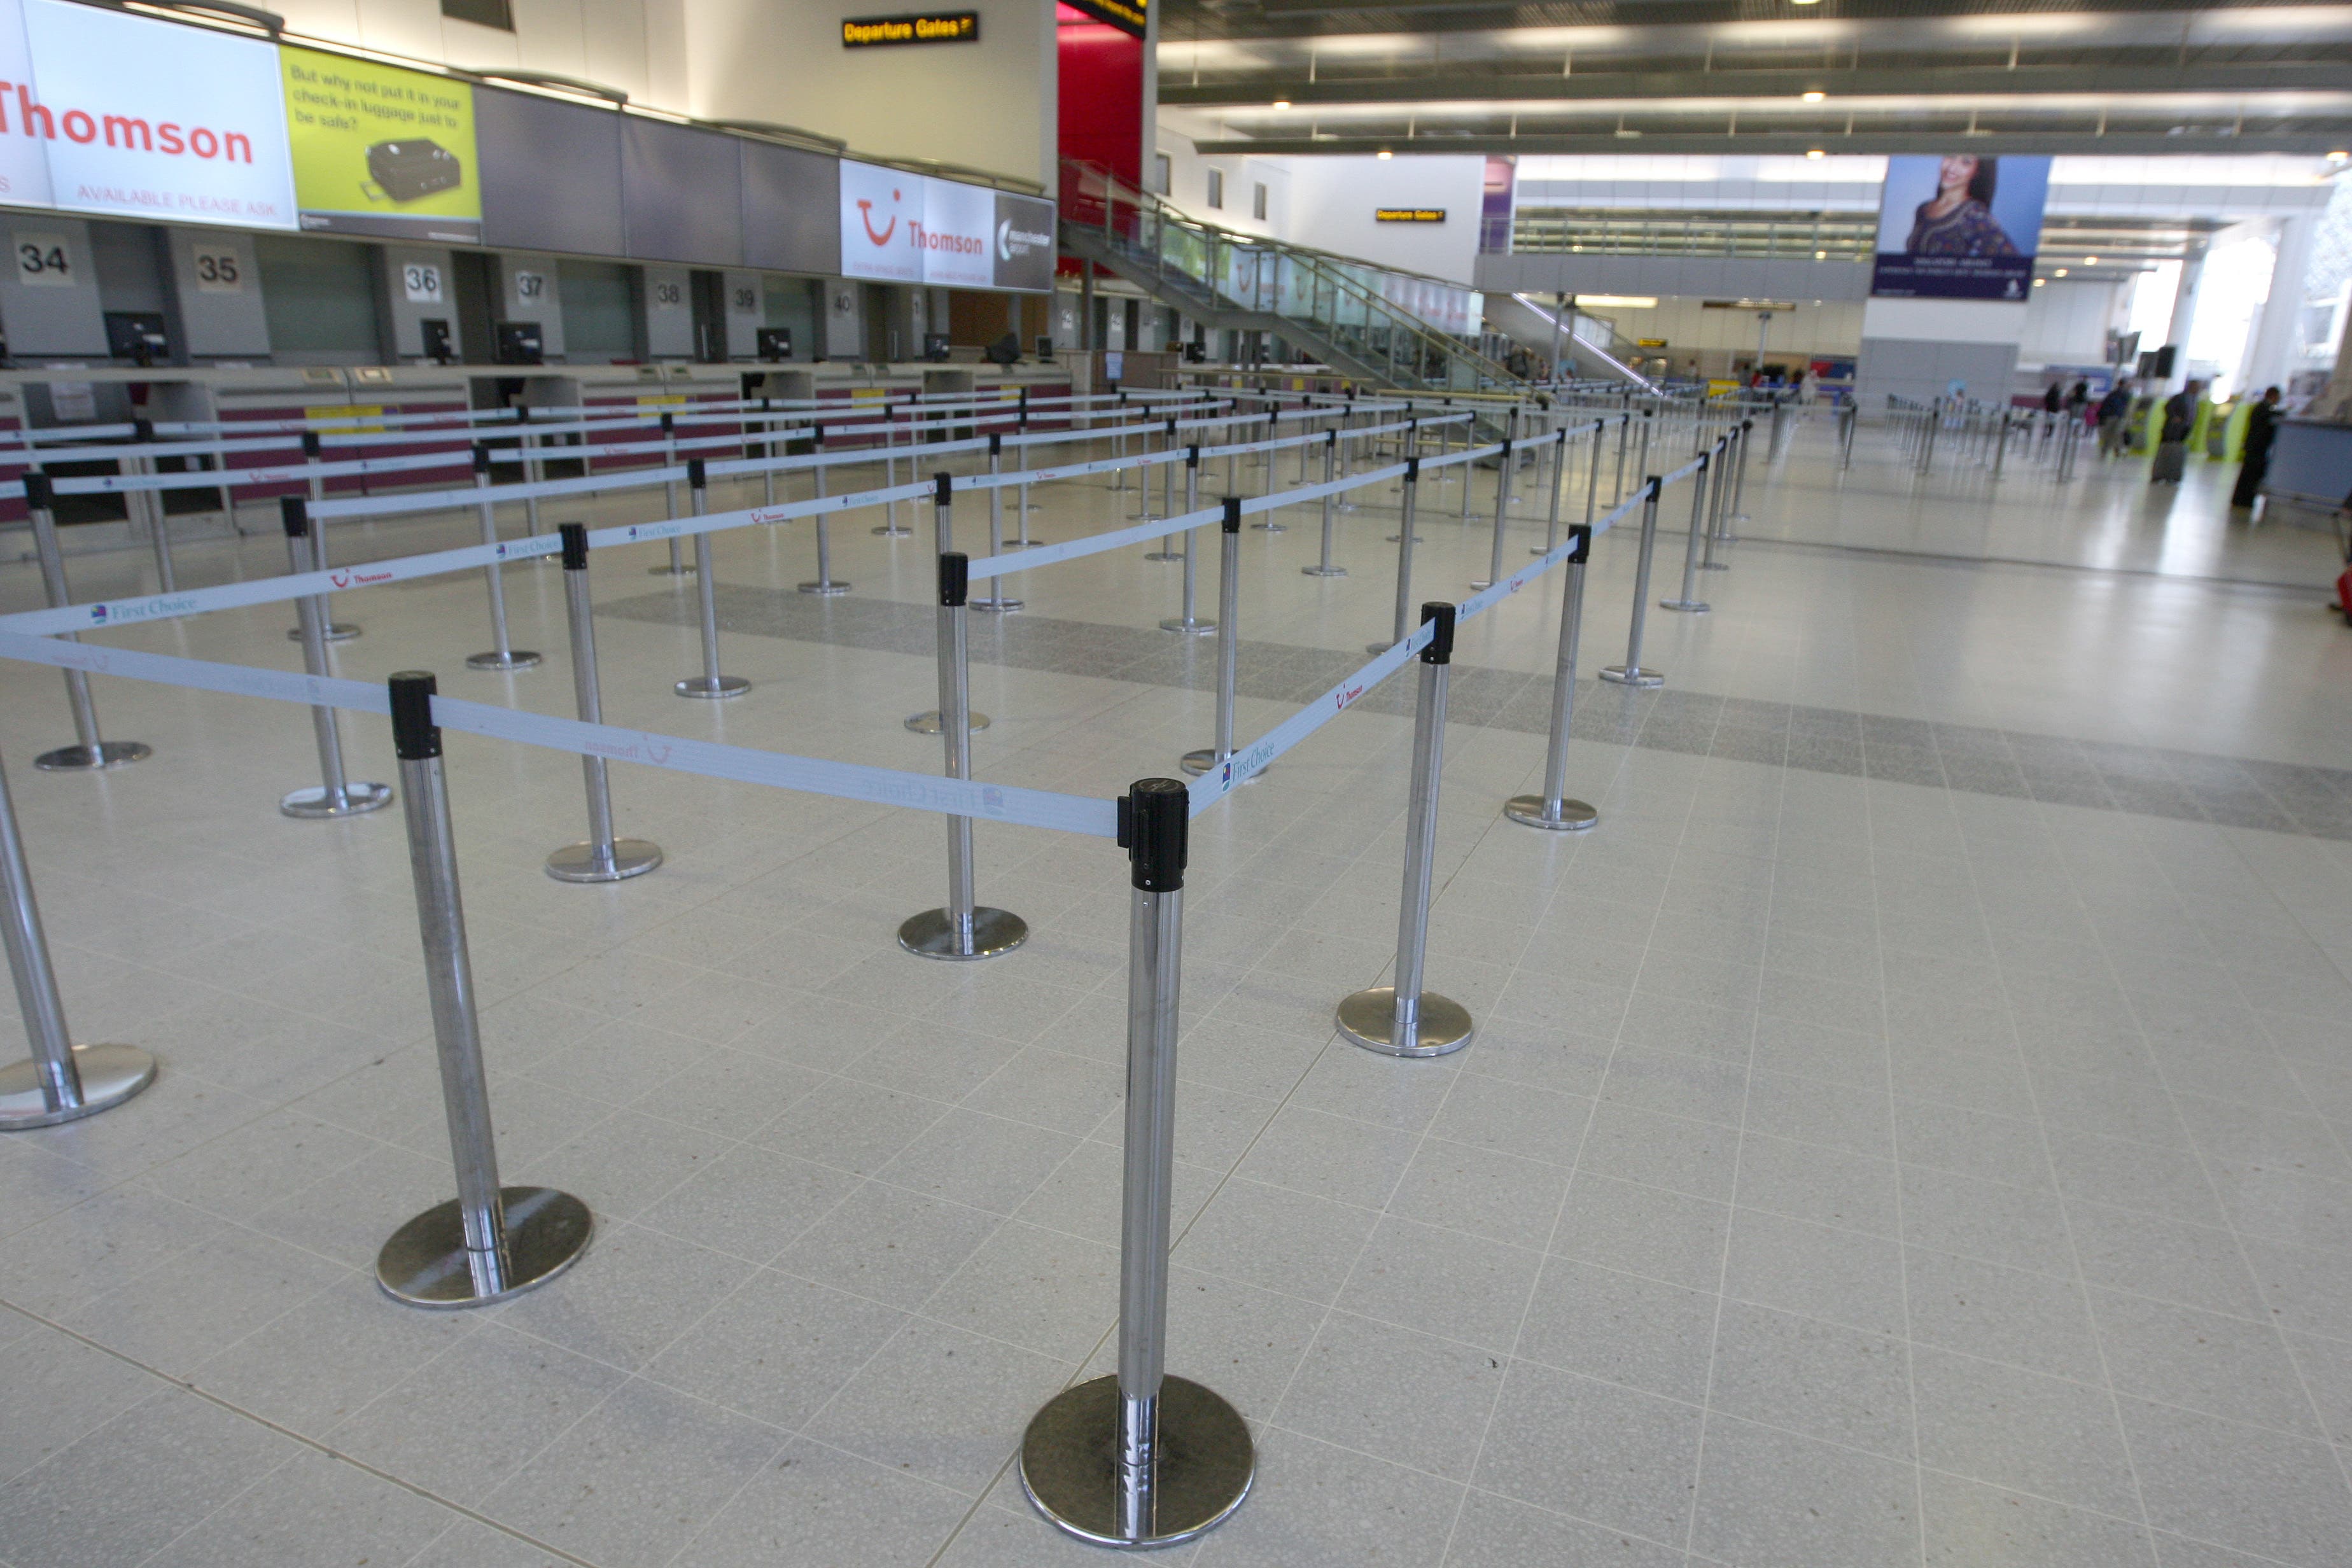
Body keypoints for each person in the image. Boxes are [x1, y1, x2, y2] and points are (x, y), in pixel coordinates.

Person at [1904, 155, 2020, 257]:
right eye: (1951, 156)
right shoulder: (1923, 209)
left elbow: (2012, 264)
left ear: (1977, 171)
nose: (1952, 168)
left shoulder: (1974, 215)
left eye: (1966, 162)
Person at [2232, 385, 2283, 509]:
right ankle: (2244, 500)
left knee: (2248, 474)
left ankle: (2243, 499)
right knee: (2250, 474)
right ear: (2274, 396)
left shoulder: (2262, 408)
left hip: (2254, 447)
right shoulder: (2263, 409)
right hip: (2256, 447)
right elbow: (2268, 419)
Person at [2153, 379, 2202, 484]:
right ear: (2191, 387)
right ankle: (2159, 474)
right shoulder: (2180, 397)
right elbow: (2168, 407)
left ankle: (2172, 475)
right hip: (2173, 429)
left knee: (2177, 452)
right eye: (2197, 387)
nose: (2198, 389)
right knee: (2166, 450)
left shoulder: (2194, 399)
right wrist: (2174, 417)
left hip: (2184, 429)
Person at [2097, 379, 2134, 457]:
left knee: (2110, 434)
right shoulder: (2127, 395)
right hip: (2120, 417)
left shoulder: (2113, 394)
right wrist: (2129, 419)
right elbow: (2128, 408)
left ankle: (2106, 451)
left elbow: (2106, 405)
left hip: (2112, 416)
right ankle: (2117, 451)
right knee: (2117, 434)